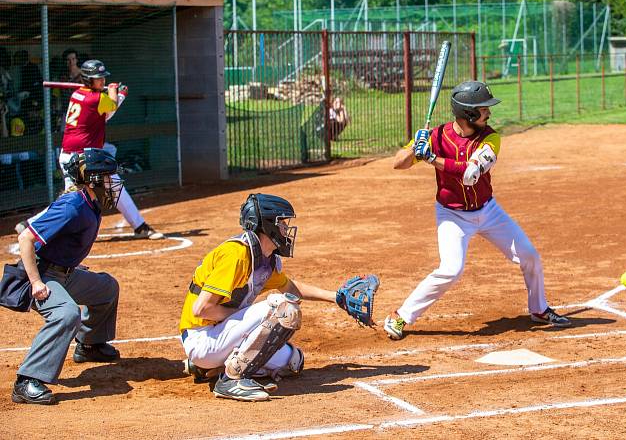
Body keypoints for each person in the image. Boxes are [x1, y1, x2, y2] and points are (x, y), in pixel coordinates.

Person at [383, 81, 570, 340]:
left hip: (489, 211)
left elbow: (471, 174)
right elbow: (398, 164)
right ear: (469, 113)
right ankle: (401, 315)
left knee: (529, 255)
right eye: (484, 109)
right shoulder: (436, 137)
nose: (489, 113)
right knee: (451, 269)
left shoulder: (491, 138)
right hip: (453, 215)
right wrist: (417, 148)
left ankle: (538, 309)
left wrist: (431, 159)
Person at [179, 193, 348, 401]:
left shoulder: (262, 260)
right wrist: (242, 316)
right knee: (284, 308)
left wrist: (336, 297)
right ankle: (231, 379)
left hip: (220, 336)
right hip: (203, 337)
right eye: (283, 223)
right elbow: (201, 309)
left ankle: (212, 367)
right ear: (268, 225)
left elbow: (293, 287)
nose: (287, 230)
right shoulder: (236, 255)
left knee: (294, 361)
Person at [12, 148, 124, 405]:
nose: (113, 183)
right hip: (41, 273)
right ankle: (27, 380)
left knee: (106, 288)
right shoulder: (72, 206)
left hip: (64, 272)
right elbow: (25, 238)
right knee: (66, 313)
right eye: (108, 178)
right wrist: (36, 282)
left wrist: (72, 265)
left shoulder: (90, 204)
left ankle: (90, 344)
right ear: (94, 180)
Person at [49, 59, 162, 239]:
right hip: (80, 159)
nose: (101, 81)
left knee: (111, 187)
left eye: (103, 78)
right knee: (71, 201)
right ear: (88, 79)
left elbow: (103, 115)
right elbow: (111, 108)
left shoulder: (78, 94)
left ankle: (140, 226)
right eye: (98, 78)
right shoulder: (95, 98)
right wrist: (119, 92)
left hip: (79, 156)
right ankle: (33, 226)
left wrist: (112, 93)